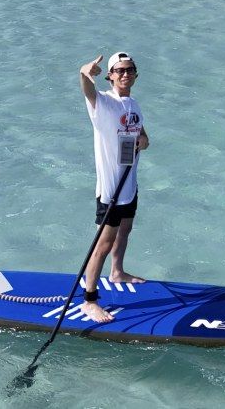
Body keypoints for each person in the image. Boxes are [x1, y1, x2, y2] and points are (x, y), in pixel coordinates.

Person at [79, 51, 150, 322]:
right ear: (110, 75)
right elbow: (88, 91)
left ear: (135, 75)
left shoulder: (134, 105)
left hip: (129, 183)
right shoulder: (103, 103)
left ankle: (117, 272)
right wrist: (84, 73)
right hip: (111, 190)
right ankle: (89, 300)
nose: (125, 74)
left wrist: (142, 140)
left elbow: (142, 135)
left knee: (126, 229)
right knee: (104, 243)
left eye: (129, 70)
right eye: (119, 70)